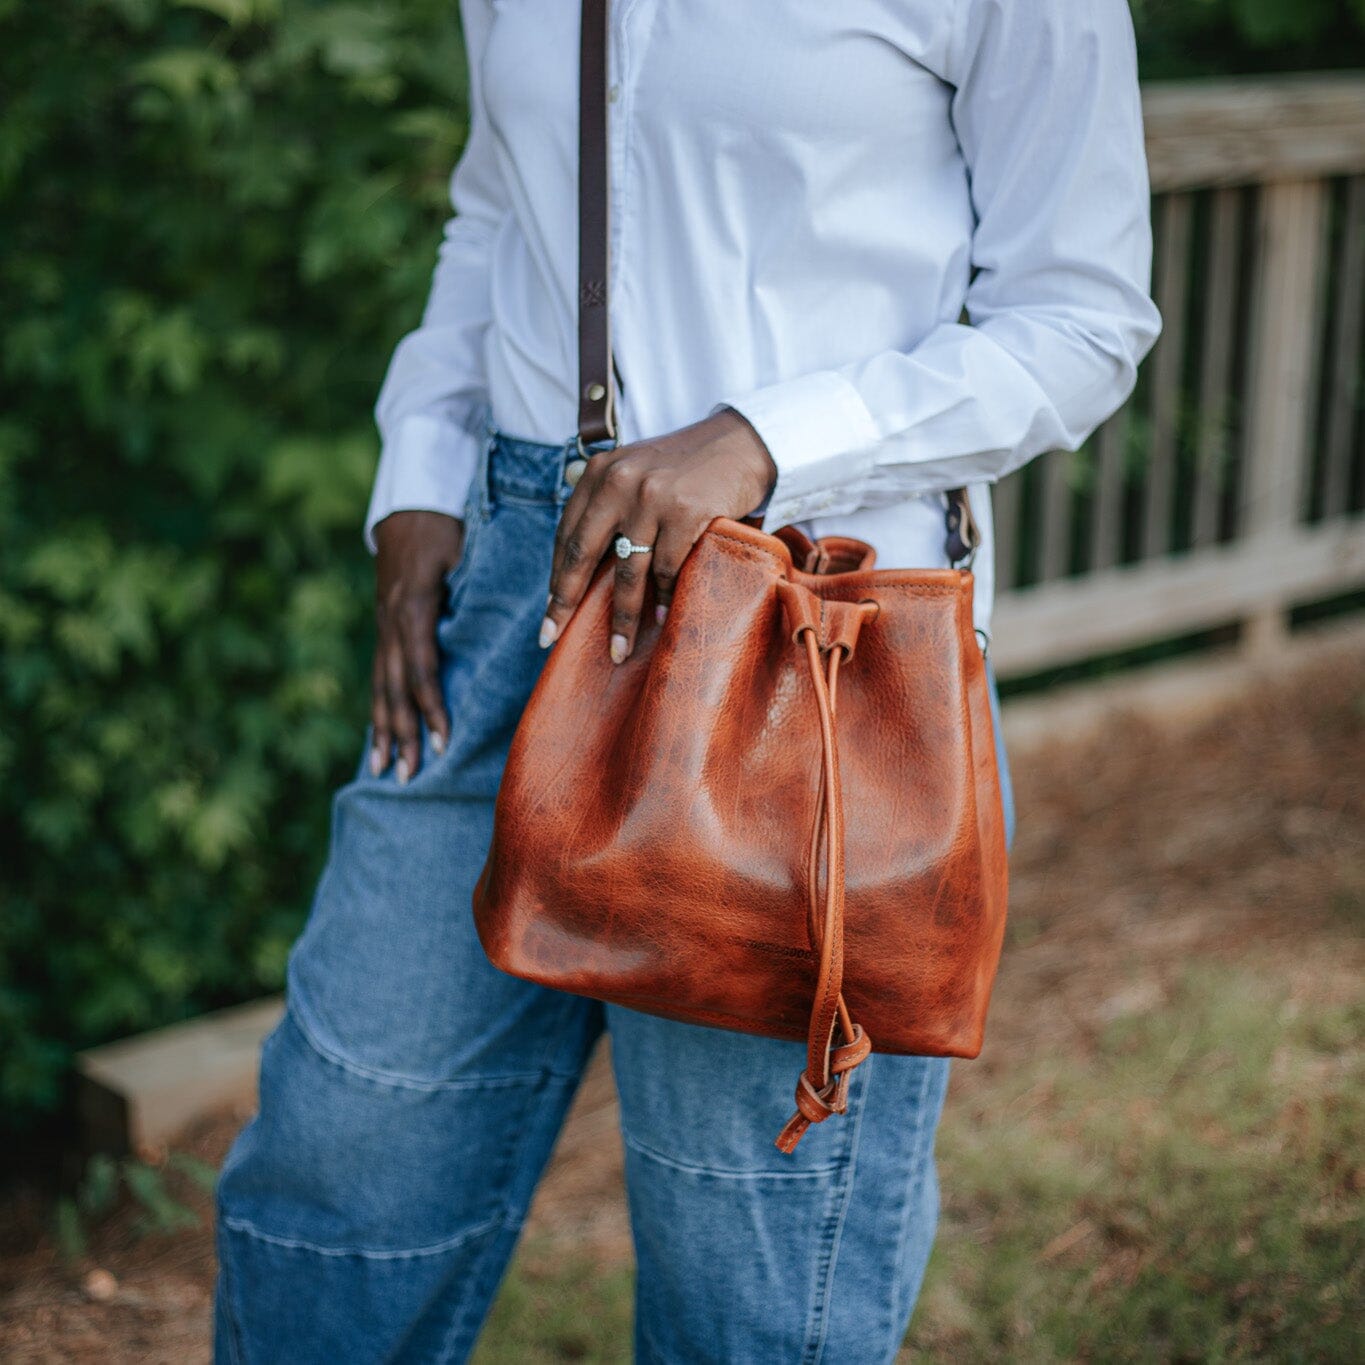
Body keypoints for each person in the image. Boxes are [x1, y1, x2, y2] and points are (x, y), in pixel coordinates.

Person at [213, 2, 1161, 1360]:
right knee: (337, 1163)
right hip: (515, 592)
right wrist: (420, 474)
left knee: (748, 1274)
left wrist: (768, 438)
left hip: (806, 637)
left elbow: (1081, 320)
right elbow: (497, 212)